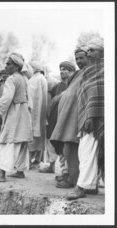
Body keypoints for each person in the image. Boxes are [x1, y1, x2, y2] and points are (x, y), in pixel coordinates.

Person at [0, 53, 33, 182]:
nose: (6, 66)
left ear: (16, 66)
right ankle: (20, 171)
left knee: (8, 141)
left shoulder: (12, 79)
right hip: (24, 113)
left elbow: (7, 98)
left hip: (15, 113)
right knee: (21, 141)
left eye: (8, 64)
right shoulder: (23, 78)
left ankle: (1, 174)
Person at [67, 38, 104, 200]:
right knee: (85, 151)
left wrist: (90, 115)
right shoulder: (88, 71)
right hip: (87, 117)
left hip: (97, 118)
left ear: (102, 53)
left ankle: (81, 187)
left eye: (92, 50)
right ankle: (92, 185)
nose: (88, 53)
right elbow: (86, 95)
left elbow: (100, 95)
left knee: (89, 150)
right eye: (87, 51)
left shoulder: (104, 70)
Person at [50, 47, 89, 188]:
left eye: (81, 58)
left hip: (79, 117)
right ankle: (69, 176)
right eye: (77, 58)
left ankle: (74, 179)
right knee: (67, 148)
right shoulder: (79, 74)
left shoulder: (91, 72)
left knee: (74, 148)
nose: (79, 61)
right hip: (69, 118)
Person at [47, 61, 75, 181]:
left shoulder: (73, 85)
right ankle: (61, 171)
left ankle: (67, 173)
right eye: (61, 69)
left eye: (65, 69)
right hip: (55, 119)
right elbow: (51, 103)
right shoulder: (56, 87)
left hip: (66, 119)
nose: (62, 71)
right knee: (56, 145)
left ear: (71, 71)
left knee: (66, 146)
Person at [27, 61, 48, 168]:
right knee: (39, 136)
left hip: (34, 112)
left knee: (32, 135)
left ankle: (30, 160)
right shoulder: (42, 78)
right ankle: (37, 160)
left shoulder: (33, 80)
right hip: (41, 112)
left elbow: (30, 99)